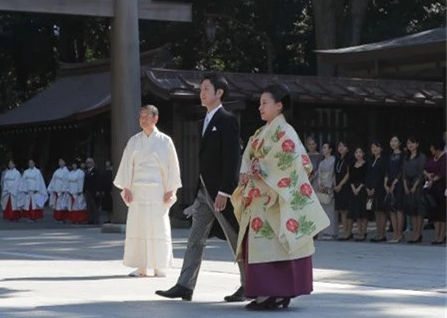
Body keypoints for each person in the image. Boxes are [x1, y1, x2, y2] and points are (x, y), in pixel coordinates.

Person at [231, 84, 329, 310]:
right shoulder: (260, 133)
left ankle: (276, 293)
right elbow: (248, 157)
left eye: (265, 103)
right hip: (260, 197)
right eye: (260, 104)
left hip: (276, 196)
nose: (260, 108)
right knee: (264, 245)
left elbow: (296, 162)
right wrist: (248, 172)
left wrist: (261, 167)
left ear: (279, 105)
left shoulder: (286, 132)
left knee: (278, 242)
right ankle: (268, 292)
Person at [156, 73, 245, 303]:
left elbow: (232, 158)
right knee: (195, 238)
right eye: (201, 89)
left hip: (221, 193)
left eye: (206, 88)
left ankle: (249, 283)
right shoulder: (203, 121)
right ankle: (185, 285)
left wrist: (225, 191)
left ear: (219, 93)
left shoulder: (227, 119)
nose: (202, 92)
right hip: (204, 192)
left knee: (236, 237)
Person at [114, 105, 182, 277]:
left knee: (158, 227)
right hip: (138, 190)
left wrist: (170, 189)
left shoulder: (165, 141)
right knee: (138, 226)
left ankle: (159, 265)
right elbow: (127, 165)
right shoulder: (134, 141)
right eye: (141, 116)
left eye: (146, 116)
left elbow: (172, 167)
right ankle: (141, 266)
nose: (142, 119)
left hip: (158, 190)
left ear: (155, 118)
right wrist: (127, 187)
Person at [403, 136, 427, 244]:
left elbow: (421, 172)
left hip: (418, 186)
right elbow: (403, 173)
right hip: (407, 185)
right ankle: (414, 234)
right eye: (408, 143)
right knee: (412, 211)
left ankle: (418, 233)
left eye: (412, 143)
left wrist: (414, 186)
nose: (410, 145)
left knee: (419, 210)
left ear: (417, 144)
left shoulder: (421, 156)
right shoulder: (406, 157)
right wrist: (405, 185)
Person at [424, 138, 446, 244]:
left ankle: (442, 236)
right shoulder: (432, 158)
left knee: (442, 213)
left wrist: (433, 180)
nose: (431, 149)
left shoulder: (445, 158)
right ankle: (436, 235)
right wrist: (428, 175)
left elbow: (443, 173)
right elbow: (425, 168)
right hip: (432, 189)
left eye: (432, 147)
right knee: (435, 213)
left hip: (442, 188)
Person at [313, 142, 336, 240]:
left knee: (330, 210)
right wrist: (319, 185)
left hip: (328, 186)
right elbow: (318, 174)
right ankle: (324, 232)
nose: (323, 149)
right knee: (323, 210)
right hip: (321, 185)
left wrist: (327, 186)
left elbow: (331, 174)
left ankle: (331, 232)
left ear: (330, 150)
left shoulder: (333, 160)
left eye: (325, 148)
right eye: (323, 148)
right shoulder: (322, 162)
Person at [385, 135, 405, 243]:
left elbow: (402, 170)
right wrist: (386, 183)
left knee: (399, 209)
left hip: (399, 184)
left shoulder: (403, 155)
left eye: (395, 141)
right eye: (391, 141)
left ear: (399, 143)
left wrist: (395, 182)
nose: (393, 143)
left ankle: (400, 233)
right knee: (392, 209)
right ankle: (394, 233)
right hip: (389, 184)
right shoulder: (389, 156)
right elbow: (387, 170)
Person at [366, 141, 387, 242]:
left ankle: (382, 234)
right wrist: (368, 188)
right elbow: (368, 175)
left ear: (381, 149)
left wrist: (374, 187)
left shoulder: (383, 161)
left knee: (381, 211)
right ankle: (378, 233)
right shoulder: (371, 160)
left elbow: (381, 175)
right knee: (375, 211)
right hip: (370, 189)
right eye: (373, 147)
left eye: (377, 147)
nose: (375, 149)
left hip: (380, 189)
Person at [347, 147, 368, 241]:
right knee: (357, 211)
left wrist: (359, 188)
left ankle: (364, 231)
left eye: (360, 152)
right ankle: (359, 231)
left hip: (363, 189)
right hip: (353, 190)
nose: (358, 154)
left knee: (364, 211)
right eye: (356, 152)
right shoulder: (352, 165)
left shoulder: (366, 164)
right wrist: (353, 188)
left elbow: (365, 177)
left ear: (363, 153)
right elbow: (350, 178)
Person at [334, 141, 352, 241]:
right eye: (340, 146)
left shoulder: (349, 159)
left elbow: (348, 174)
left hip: (346, 186)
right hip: (337, 186)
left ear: (347, 149)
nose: (341, 148)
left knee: (347, 210)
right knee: (341, 210)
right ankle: (344, 231)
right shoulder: (337, 159)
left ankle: (348, 232)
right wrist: (335, 184)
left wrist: (340, 184)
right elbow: (334, 173)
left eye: (344, 146)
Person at [84, 157, 100, 225]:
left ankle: (96, 220)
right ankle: (90, 219)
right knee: (89, 206)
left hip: (94, 191)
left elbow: (98, 181)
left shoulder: (96, 171)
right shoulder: (86, 171)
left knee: (94, 206)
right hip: (87, 191)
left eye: (90, 162)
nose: (88, 164)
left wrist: (98, 190)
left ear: (93, 163)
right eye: (87, 163)